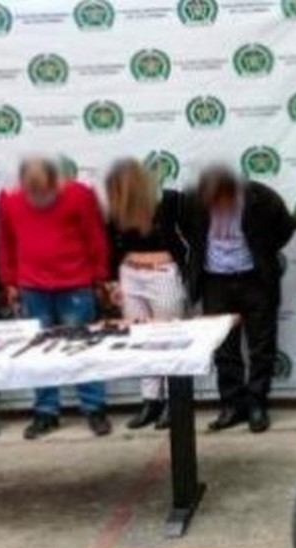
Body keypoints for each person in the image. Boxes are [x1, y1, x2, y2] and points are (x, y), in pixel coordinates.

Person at [0, 157, 113, 440]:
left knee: (82, 347)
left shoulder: (80, 194)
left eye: (44, 188)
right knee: (39, 352)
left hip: (75, 284)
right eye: (31, 189)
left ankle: (94, 408)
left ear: (56, 181)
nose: (38, 195)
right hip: (31, 287)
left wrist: (99, 277)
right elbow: (6, 241)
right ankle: (46, 411)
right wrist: (9, 281)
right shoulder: (8, 198)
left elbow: (94, 237)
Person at [182, 166, 294, 433]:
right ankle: (232, 405)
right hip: (215, 282)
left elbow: (284, 229)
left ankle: (257, 405)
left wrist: (262, 252)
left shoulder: (262, 198)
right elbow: (189, 233)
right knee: (225, 348)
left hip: (256, 280)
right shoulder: (193, 201)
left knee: (261, 346)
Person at [103, 159, 189, 431]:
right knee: (142, 340)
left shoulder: (171, 202)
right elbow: (111, 246)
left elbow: (192, 240)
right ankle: (151, 401)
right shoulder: (116, 210)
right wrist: (113, 283)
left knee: (168, 339)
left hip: (163, 273)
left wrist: (189, 274)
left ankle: (174, 403)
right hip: (130, 275)